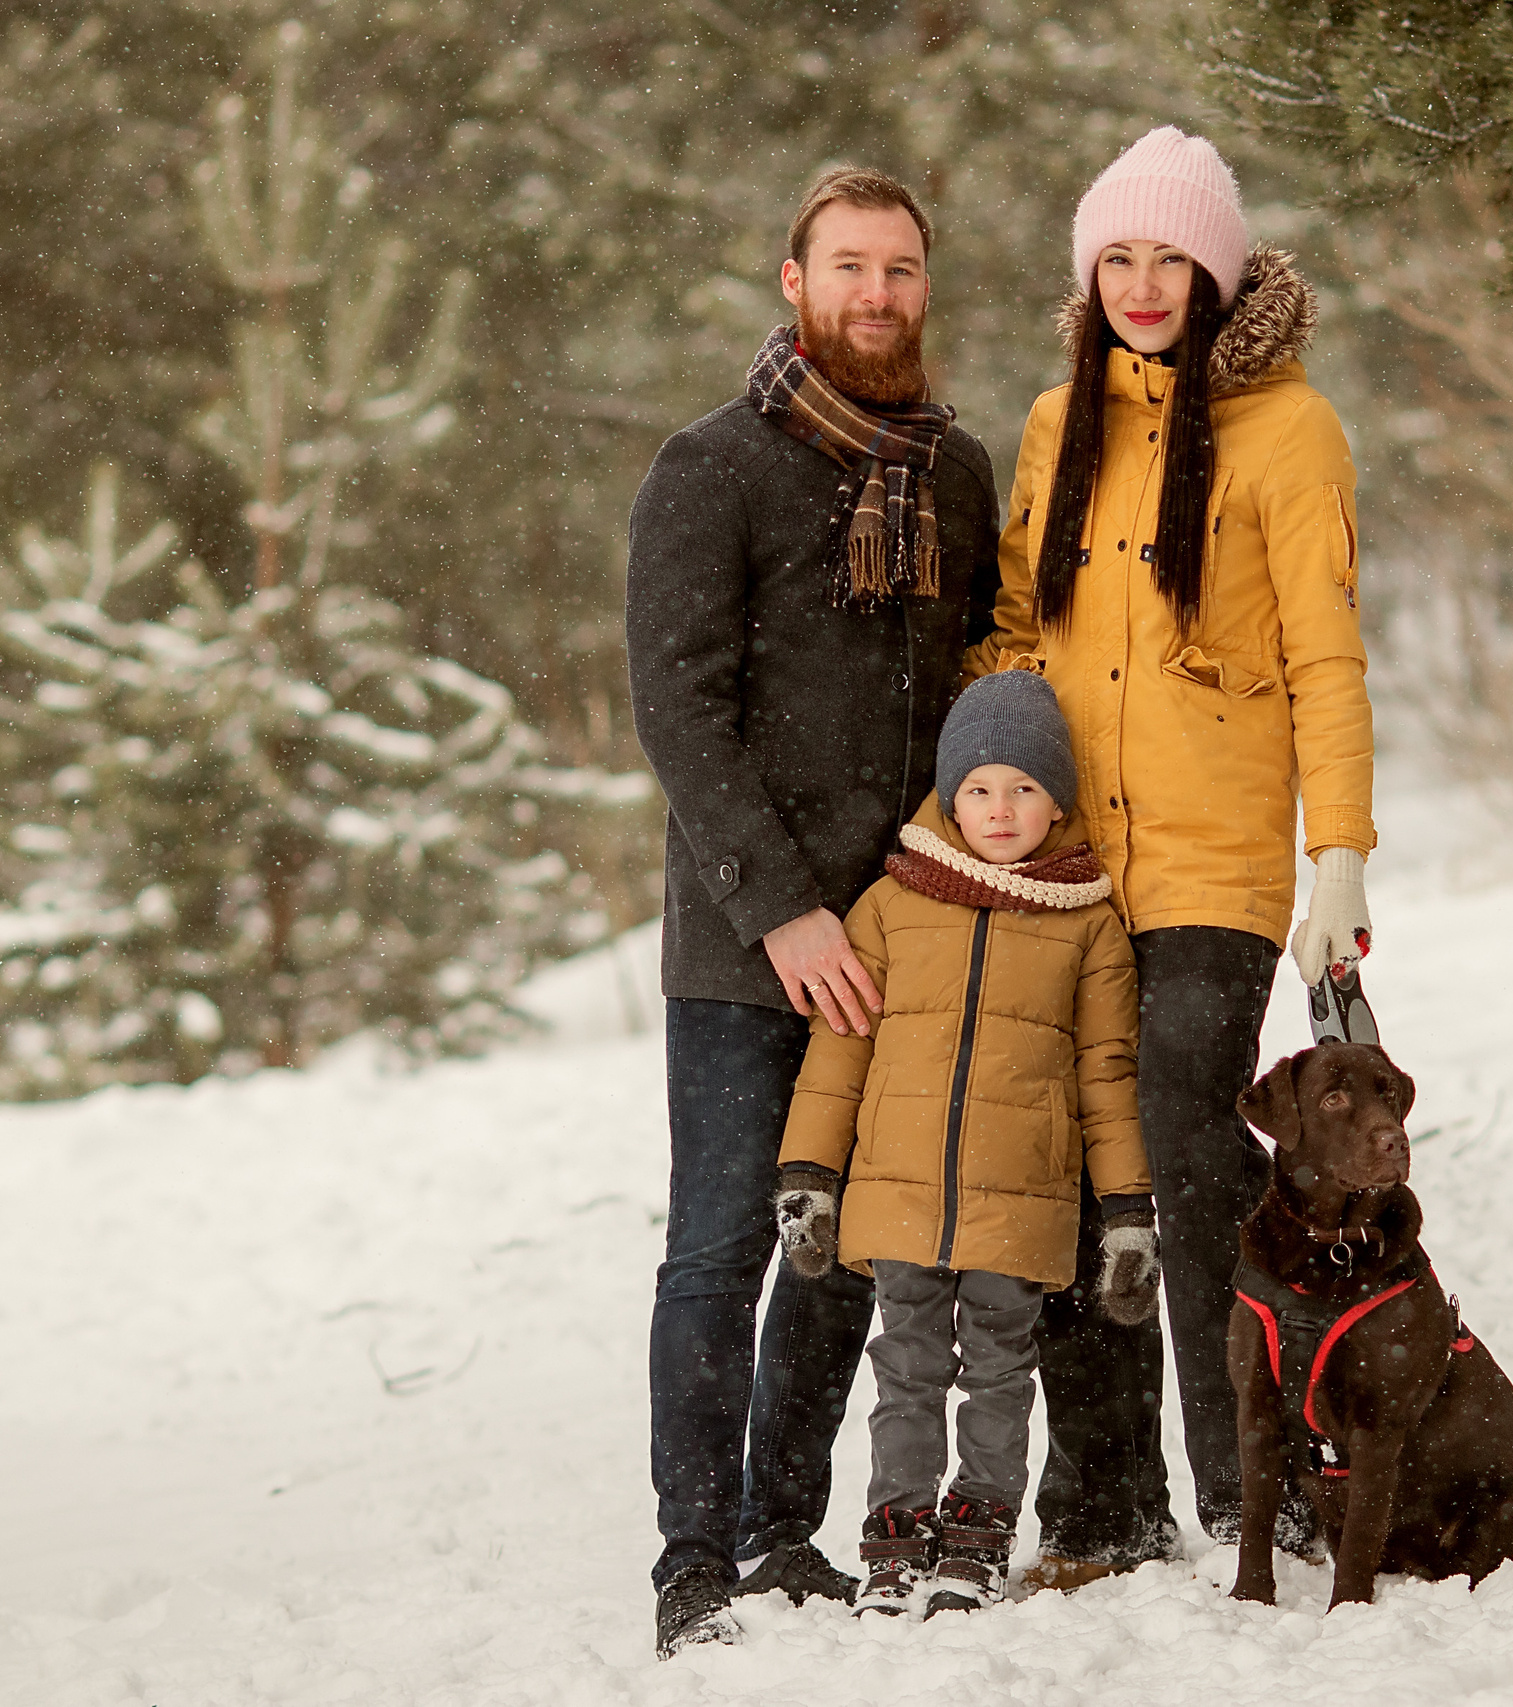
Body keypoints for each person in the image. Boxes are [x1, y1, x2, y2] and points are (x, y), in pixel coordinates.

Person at [970, 125, 1377, 1564]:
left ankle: (1244, 1472)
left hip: (1215, 860)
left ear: (1217, 271)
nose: (1145, 284)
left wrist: (1342, 855)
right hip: (1076, 859)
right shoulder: (1052, 423)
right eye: (1119, 258)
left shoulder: (1291, 428)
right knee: (1085, 1164)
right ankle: (1110, 1494)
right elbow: (1015, 633)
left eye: (1171, 257)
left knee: (1194, 1149)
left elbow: (1329, 658)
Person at [625, 165, 1003, 1660]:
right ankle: (694, 1560)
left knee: (841, 1241)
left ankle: (790, 1531)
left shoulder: (952, 473)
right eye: (848, 265)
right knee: (721, 1244)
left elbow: (977, 697)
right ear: (795, 280)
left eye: (901, 269)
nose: (876, 294)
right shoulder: (708, 467)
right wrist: (784, 908)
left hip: (901, 924)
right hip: (747, 937)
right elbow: (679, 711)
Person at [770, 670, 1161, 1619]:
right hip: (898, 1199)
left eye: (1025, 788)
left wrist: (1126, 1211)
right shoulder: (889, 905)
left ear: (1058, 799)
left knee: (998, 1372)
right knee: (904, 1369)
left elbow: (1107, 1078)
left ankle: (978, 1540)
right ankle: (896, 1544)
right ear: (948, 794)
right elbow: (836, 1055)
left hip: (1019, 1203)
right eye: (978, 788)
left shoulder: (1088, 922)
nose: (999, 810)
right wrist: (809, 1177)